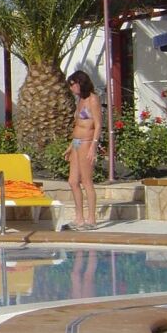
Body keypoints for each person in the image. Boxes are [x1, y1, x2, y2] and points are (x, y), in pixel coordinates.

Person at [64, 70, 102, 230]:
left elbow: (98, 125)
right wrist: (70, 146)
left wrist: (94, 146)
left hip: (87, 142)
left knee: (86, 181)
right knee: (73, 181)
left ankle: (91, 219)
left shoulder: (93, 99)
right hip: (76, 142)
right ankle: (79, 218)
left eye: (73, 84)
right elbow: (77, 125)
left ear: (81, 82)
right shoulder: (80, 100)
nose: (71, 88)